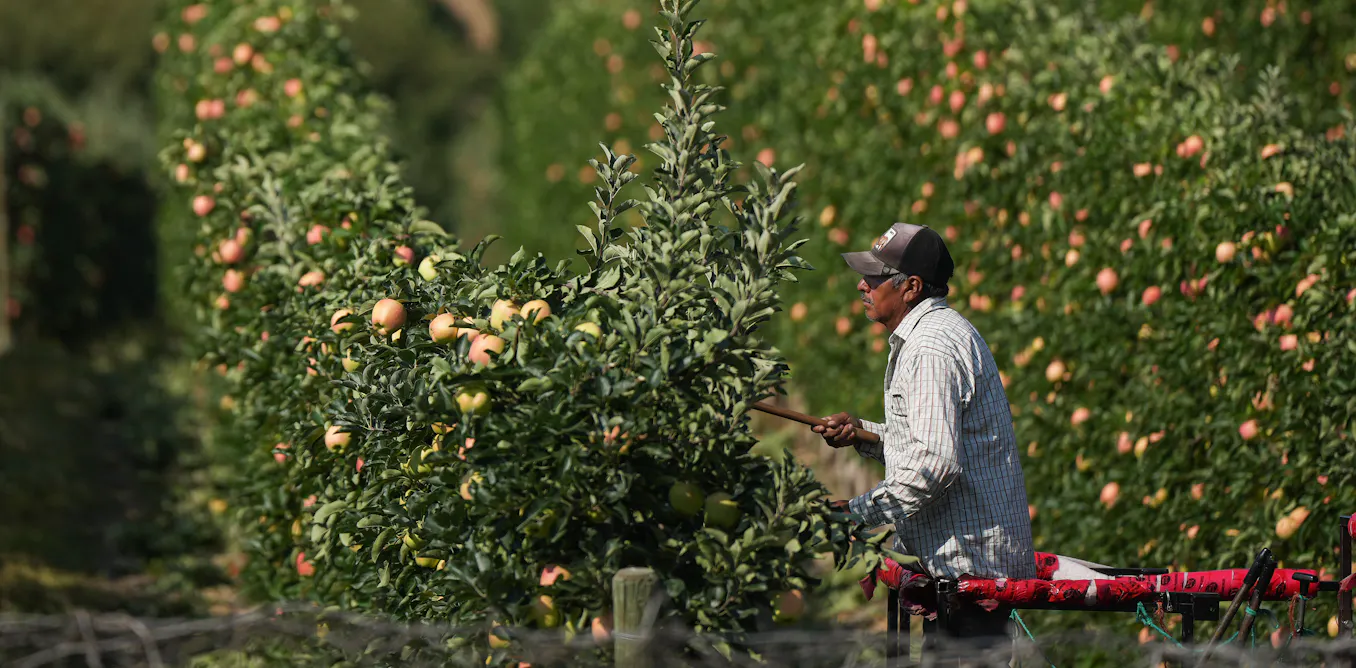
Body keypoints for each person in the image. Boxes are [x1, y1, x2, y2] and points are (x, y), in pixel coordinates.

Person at [812, 222, 1036, 654]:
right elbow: (927, 445)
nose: (862, 285)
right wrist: (861, 433)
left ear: (911, 287)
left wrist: (859, 512)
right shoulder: (927, 338)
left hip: (973, 572)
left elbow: (935, 465)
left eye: (875, 278)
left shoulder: (931, 349)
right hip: (957, 571)